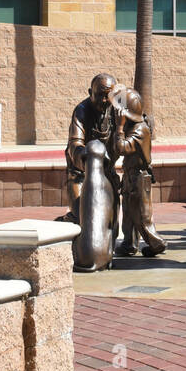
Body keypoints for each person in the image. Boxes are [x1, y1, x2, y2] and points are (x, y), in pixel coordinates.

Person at [61, 74, 122, 225]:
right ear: (90, 92)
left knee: (110, 221)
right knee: (81, 216)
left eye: (108, 95)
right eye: (99, 95)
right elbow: (75, 144)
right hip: (81, 173)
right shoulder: (81, 110)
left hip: (107, 172)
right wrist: (90, 160)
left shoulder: (118, 107)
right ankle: (68, 220)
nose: (104, 100)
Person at [113, 88, 167, 257]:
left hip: (139, 177)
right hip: (131, 175)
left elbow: (122, 148)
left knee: (142, 216)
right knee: (128, 212)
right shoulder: (136, 125)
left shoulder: (139, 130)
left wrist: (119, 127)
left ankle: (157, 243)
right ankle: (129, 244)